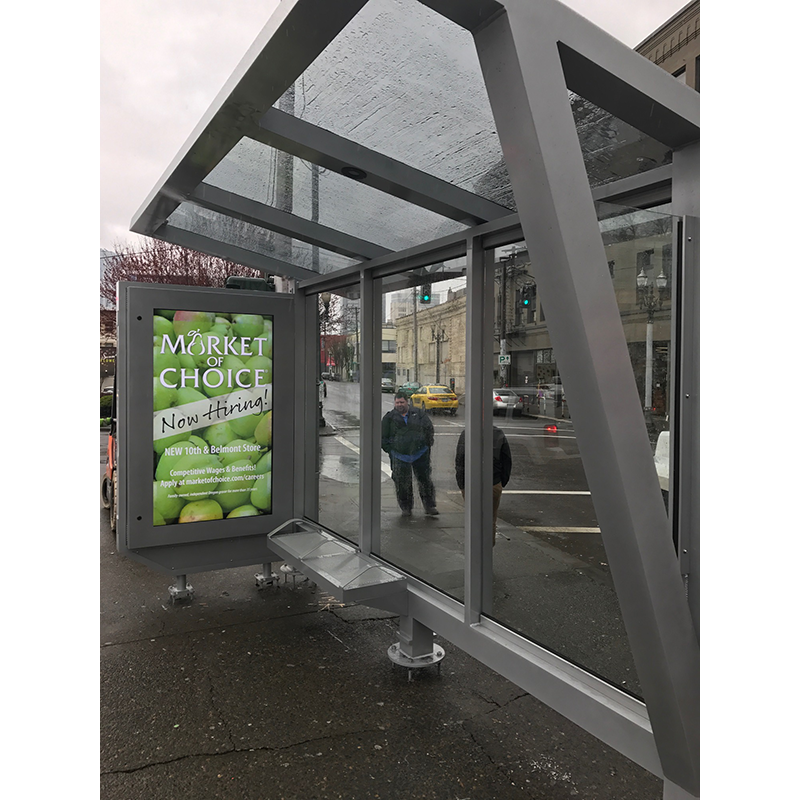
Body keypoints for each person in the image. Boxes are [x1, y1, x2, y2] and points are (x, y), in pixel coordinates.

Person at [381, 393, 438, 517]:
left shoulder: (419, 414)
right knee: (402, 483)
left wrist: (426, 446)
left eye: (402, 402)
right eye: (397, 403)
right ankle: (406, 508)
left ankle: (429, 506)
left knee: (425, 480)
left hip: (420, 454)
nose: (400, 405)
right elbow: (383, 437)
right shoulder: (389, 418)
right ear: (394, 403)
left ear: (407, 402)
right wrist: (390, 450)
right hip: (399, 456)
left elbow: (429, 429)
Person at [455, 426, 512, 545]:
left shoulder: (467, 433)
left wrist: (462, 484)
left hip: (471, 484)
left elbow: (460, 460)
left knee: (474, 518)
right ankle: (487, 550)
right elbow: (506, 460)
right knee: (490, 519)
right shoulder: (497, 433)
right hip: (493, 482)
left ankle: (474, 548)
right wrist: (500, 482)